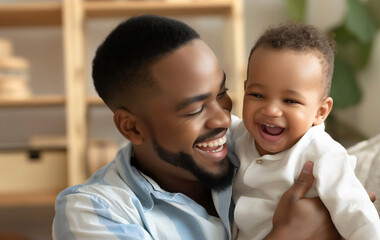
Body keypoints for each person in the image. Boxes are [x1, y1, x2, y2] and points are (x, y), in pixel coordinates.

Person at [52, 15, 340, 239]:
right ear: (132, 128)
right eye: (194, 109)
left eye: (221, 93)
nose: (224, 120)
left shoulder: (253, 141)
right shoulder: (94, 212)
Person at [229, 23, 380, 239]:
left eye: (290, 100)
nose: (270, 109)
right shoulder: (238, 134)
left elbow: (358, 216)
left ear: (321, 111)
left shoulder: (322, 154)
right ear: (245, 89)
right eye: (257, 95)